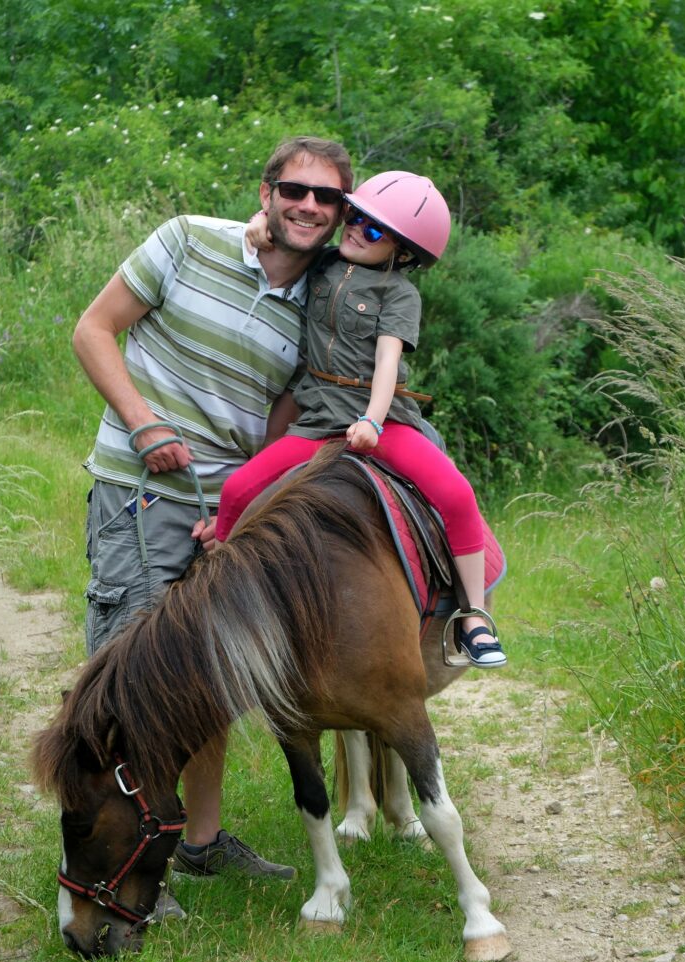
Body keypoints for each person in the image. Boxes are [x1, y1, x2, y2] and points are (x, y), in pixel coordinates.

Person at [73, 136, 353, 886]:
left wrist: (245, 509)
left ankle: (198, 844)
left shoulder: (319, 306)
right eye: (296, 190)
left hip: (222, 518)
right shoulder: (188, 240)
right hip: (141, 492)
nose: (309, 207)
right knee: (127, 686)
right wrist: (143, 423)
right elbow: (92, 330)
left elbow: (281, 426)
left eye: (326, 198)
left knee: (209, 681)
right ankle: (120, 868)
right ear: (266, 192)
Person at [215, 171, 507, 667]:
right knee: (237, 490)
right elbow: (285, 240)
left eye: (373, 231)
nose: (354, 230)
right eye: (354, 217)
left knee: (457, 494)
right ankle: (215, 593)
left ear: (403, 251)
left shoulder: (399, 294)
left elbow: (388, 364)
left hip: (381, 418)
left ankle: (474, 616)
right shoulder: (324, 263)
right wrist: (256, 222)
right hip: (318, 416)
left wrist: (372, 421)